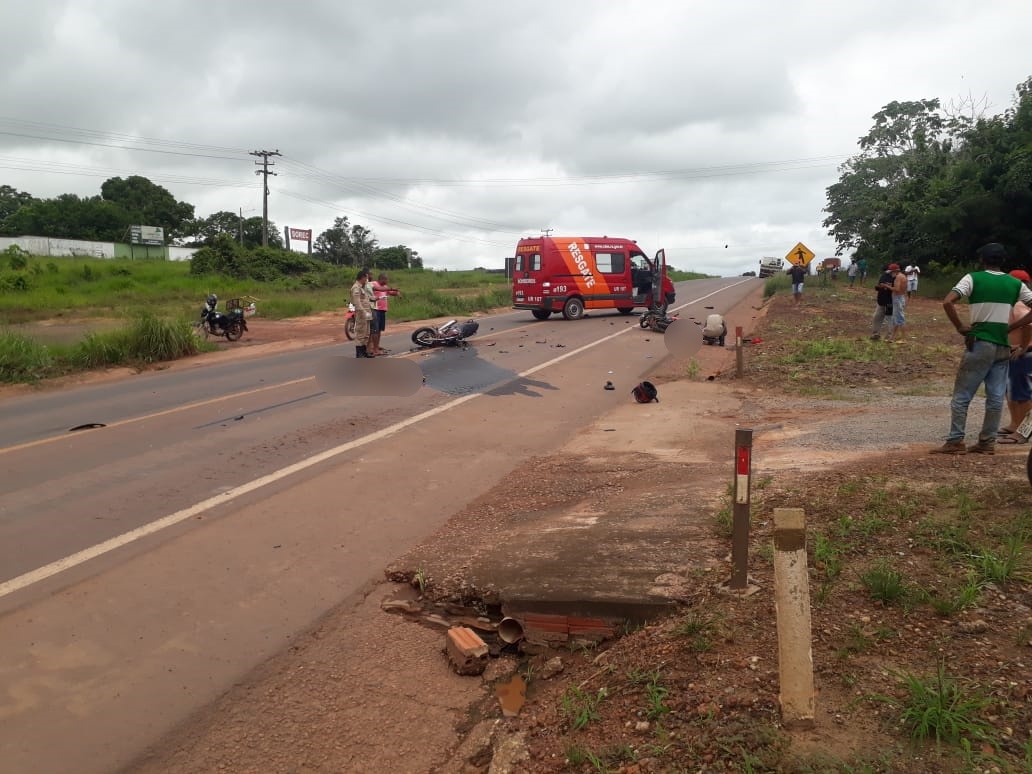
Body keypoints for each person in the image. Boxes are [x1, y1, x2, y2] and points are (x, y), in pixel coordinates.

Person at [931, 243, 1032, 455]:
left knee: (962, 395)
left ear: (981, 259)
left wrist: (961, 327)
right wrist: (1012, 326)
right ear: (1003, 261)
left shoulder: (972, 278)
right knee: (995, 397)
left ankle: (956, 441)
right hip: (1003, 346)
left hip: (980, 342)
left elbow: (948, 302)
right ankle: (987, 443)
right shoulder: (1015, 283)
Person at [998, 269, 1032, 443]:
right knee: (1012, 392)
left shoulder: (1019, 305)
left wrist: (1023, 347)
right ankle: (1015, 424)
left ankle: (1023, 432)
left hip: (1023, 354)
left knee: (1022, 394)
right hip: (1016, 353)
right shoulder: (1019, 303)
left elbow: (1028, 325)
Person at [368, 273, 401, 356]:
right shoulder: (374, 284)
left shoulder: (385, 287)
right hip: (375, 310)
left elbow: (390, 292)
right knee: (374, 330)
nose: (387, 281)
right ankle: (373, 348)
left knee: (379, 330)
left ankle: (376, 346)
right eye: (386, 279)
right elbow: (376, 289)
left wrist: (396, 293)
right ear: (381, 279)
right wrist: (392, 289)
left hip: (382, 310)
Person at [350, 268, 375, 358]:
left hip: (367, 314)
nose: (367, 280)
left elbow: (367, 299)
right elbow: (357, 303)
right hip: (362, 315)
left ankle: (364, 352)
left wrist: (378, 298)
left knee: (366, 333)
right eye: (366, 278)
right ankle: (359, 353)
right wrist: (364, 312)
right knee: (360, 334)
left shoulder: (361, 287)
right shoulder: (356, 288)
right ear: (362, 277)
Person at [885, 264, 908, 343]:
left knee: (900, 318)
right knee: (896, 318)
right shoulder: (903, 276)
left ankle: (904, 339)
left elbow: (897, 289)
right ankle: (892, 337)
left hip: (897, 298)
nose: (891, 274)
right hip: (900, 297)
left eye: (891, 272)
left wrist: (887, 286)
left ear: (895, 271)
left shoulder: (898, 277)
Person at [870, 265, 894, 340]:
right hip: (881, 300)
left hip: (890, 301)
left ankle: (890, 335)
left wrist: (887, 286)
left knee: (889, 318)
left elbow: (897, 289)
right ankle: (876, 334)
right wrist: (880, 286)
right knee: (877, 317)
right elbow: (879, 285)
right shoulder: (884, 276)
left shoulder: (896, 278)